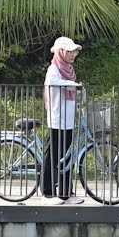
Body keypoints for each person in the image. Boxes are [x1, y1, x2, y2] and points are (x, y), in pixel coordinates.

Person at [42, 36, 83, 204]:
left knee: (67, 156)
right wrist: (74, 85)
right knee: (53, 155)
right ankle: (48, 192)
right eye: (69, 51)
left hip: (68, 119)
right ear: (60, 52)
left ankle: (66, 193)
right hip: (57, 119)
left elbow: (69, 86)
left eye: (74, 52)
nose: (73, 55)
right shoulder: (54, 69)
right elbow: (54, 83)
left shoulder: (68, 69)